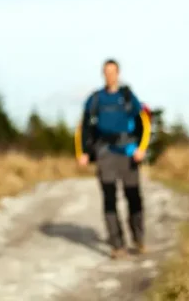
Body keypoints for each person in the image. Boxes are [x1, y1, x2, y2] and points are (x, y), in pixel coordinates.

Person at [75, 58, 150, 259]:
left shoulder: (127, 97)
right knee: (109, 199)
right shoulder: (96, 99)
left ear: (118, 73)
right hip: (105, 152)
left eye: (113, 72)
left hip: (128, 152)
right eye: (106, 72)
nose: (110, 75)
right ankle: (117, 244)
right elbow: (84, 126)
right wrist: (82, 152)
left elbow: (144, 122)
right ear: (103, 74)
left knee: (133, 196)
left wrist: (142, 148)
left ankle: (138, 238)